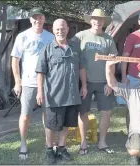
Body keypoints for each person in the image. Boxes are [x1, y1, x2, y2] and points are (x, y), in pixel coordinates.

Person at [35, 19, 87, 164]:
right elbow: (40, 72)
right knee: (51, 125)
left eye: (63, 28)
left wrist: (84, 86)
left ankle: (61, 148)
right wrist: (40, 92)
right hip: (54, 95)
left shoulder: (75, 47)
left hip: (72, 94)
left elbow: (82, 67)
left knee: (67, 123)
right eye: (57, 29)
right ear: (53, 30)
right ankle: (49, 149)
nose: (60, 31)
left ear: (67, 29)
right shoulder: (47, 48)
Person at [72, 8, 118, 155]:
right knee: (83, 112)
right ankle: (83, 143)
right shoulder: (80, 36)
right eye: (95, 19)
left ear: (104, 22)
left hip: (103, 81)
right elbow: (71, 56)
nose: (97, 22)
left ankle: (102, 141)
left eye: (100, 19)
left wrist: (109, 82)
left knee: (106, 112)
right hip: (84, 81)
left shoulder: (108, 39)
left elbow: (113, 62)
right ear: (90, 21)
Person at [11, 7, 54, 159]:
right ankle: (23, 144)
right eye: (34, 18)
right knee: (25, 115)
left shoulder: (50, 37)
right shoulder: (22, 36)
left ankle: (49, 143)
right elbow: (15, 60)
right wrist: (18, 82)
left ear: (44, 19)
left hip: (48, 83)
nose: (37, 20)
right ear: (30, 20)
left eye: (40, 17)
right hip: (28, 83)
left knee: (47, 114)